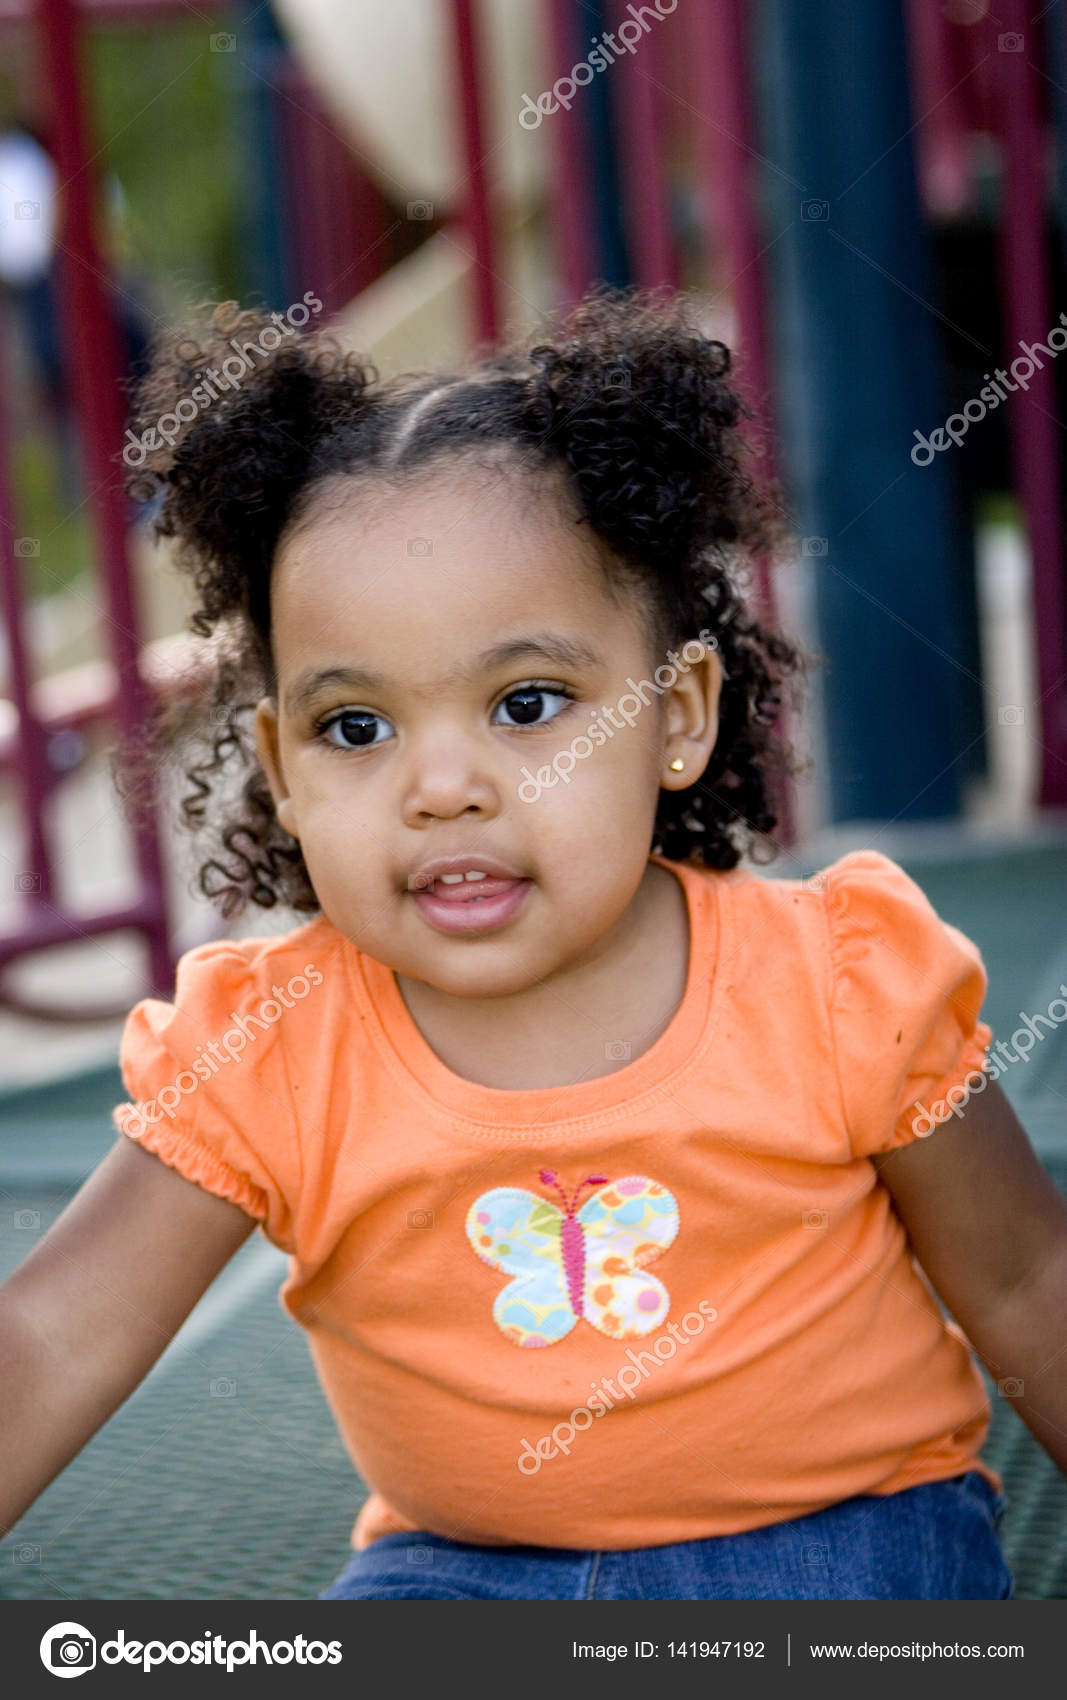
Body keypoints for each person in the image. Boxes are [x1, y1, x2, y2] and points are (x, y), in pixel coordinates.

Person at [2, 289, 1064, 1601]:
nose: (441, 786)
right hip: (464, 1574)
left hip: (841, 1544)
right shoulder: (269, 1050)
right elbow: (52, 1338)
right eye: (354, 728)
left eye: (527, 703)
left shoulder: (840, 983)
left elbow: (1026, 1279)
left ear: (674, 715)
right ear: (278, 769)